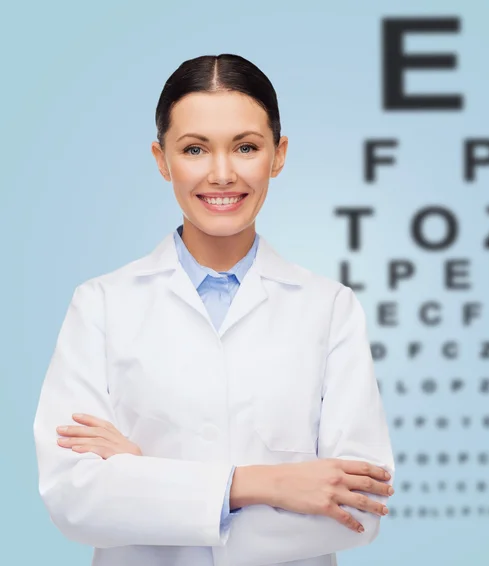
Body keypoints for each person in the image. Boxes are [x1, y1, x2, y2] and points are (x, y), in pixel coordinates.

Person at [33, 53, 395, 566]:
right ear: (162, 160)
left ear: (278, 154)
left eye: (246, 147)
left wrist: (144, 482)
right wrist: (262, 484)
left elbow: (362, 509)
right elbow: (73, 499)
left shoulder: (329, 309)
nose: (221, 174)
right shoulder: (101, 305)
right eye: (195, 149)